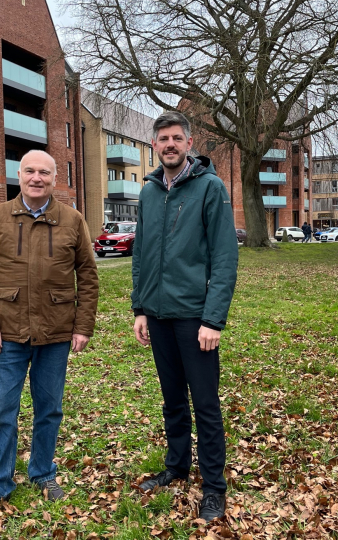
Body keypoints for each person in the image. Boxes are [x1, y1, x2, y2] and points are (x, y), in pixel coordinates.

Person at [0, 150, 99, 516]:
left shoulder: (72, 220)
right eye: (30, 171)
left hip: (56, 333)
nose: (36, 178)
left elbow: (87, 277)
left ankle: (43, 473)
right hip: (6, 334)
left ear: (55, 179)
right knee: (3, 410)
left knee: (49, 410)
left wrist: (82, 326)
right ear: (19, 175)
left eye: (44, 172)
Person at [131, 112, 238, 522]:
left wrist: (213, 319)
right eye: (163, 139)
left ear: (189, 143)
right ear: (154, 145)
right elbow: (141, 255)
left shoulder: (210, 188)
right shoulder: (150, 191)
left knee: (206, 404)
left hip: (195, 318)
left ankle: (214, 486)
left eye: (177, 138)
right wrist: (139, 307)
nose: (170, 144)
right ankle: (176, 466)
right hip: (157, 315)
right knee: (172, 399)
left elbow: (225, 259)